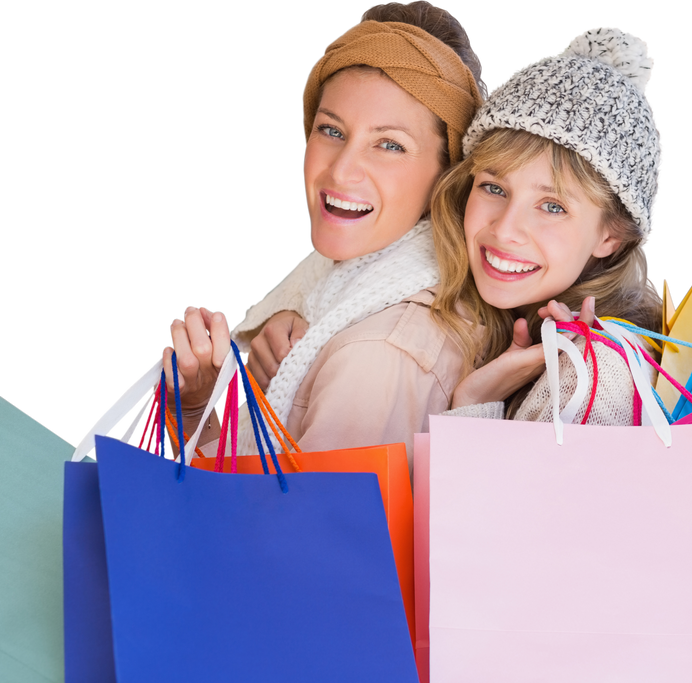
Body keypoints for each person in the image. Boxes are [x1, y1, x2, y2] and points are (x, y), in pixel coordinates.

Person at [161, 0, 488, 460]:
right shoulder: (331, 285)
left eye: (390, 145)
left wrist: (192, 412)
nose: (342, 171)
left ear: (447, 175)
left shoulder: (378, 356)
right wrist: (202, 400)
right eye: (332, 131)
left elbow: (280, 530)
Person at [429, 24, 666, 424]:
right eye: (493, 187)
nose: (505, 230)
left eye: (552, 206)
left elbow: (485, 490)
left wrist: (475, 400)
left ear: (610, 235)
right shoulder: (510, 318)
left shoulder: (593, 377)